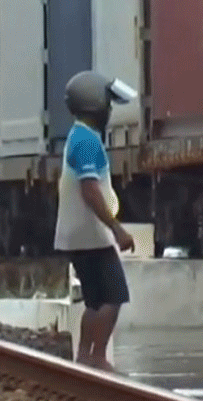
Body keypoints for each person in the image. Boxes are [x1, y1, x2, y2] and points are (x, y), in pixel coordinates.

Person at [56, 70, 138, 372]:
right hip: (92, 234)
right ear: (97, 106)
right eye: (108, 104)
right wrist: (117, 229)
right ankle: (98, 359)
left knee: (93, 300)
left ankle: (84, 359)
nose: (110, 110)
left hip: (77, 236)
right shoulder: (88, 142)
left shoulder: (77, 137)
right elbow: (90, 190)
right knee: (114, 296)